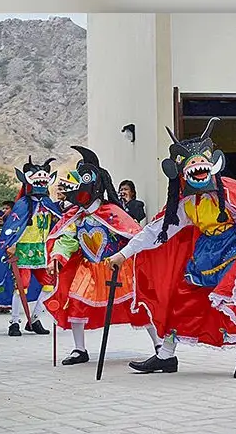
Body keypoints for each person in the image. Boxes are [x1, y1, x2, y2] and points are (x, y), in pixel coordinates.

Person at [109, 118, 236, 378]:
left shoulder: (227, 192)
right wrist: (122, 254)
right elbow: (157, 231)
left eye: (200, 162)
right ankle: (166, 356)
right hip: (206, 254)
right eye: (191, 164)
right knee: (183, 299)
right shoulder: (186, 204)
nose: (197, 167)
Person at [43, 146, 159, 365]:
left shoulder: (113, 213)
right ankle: (79, 350)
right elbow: (67, 239)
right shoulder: (75, 216)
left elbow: (133, 235)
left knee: (138, 304)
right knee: (76, 302)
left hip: (116, 268)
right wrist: (57, 257)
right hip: (87, 268)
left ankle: (159, 344)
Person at [0, 157, 62, 336]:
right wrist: (11, 245)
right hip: (22, 251)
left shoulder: (48, 204)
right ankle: (14, 322)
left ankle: (35, 319)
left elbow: (59, 223)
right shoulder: (23, 204)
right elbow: (12, 228)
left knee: (50, 285)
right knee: (21, 287)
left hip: (41, 252)